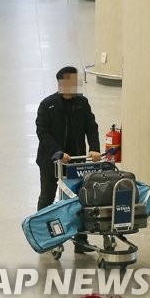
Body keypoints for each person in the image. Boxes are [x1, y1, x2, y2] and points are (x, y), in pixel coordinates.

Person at [35, 66, 101, 253]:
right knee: (47, 197)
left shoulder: (82, 103)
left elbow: (91, 126)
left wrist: (94, 148)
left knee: (80, 198)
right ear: (61, 83)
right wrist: (57, 152)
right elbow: (43, 132)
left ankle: (81, 238)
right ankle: (45, 237)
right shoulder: (47, 105)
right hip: (51, 161)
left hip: (76, 162)